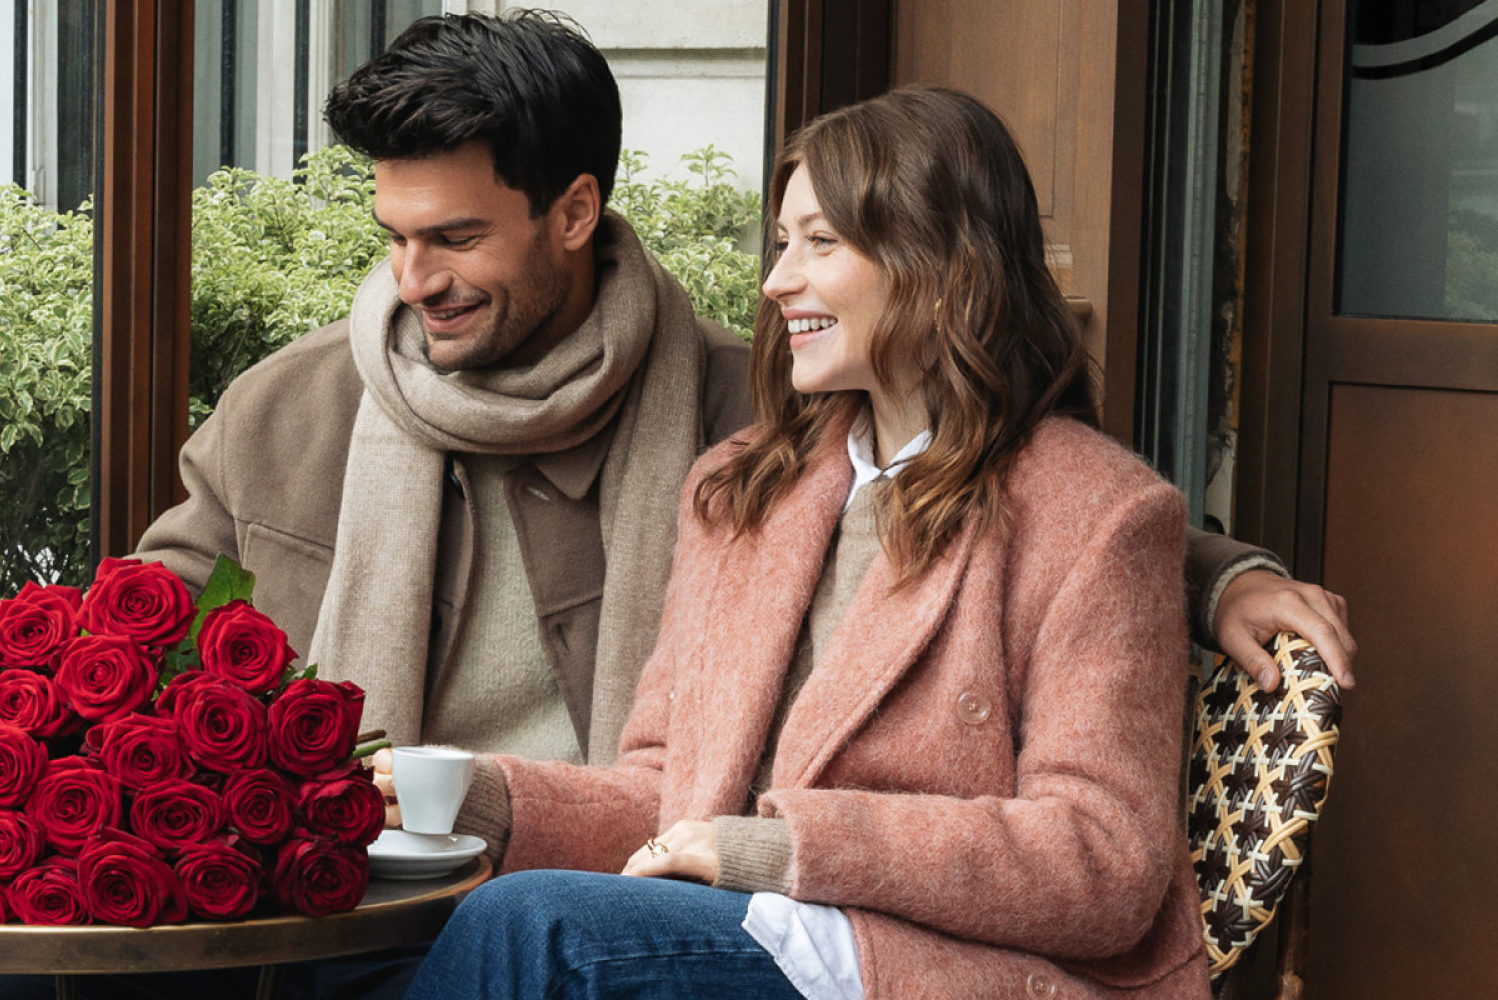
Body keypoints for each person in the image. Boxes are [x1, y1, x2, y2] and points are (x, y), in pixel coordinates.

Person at [399, 85, 1214, 1000]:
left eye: (820, 243)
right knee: (386, 952)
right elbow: (670, 795)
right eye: (782, 243)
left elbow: (1102, 863)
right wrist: (480, 798)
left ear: (942, 265)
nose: (778, 280)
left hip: (924, 968)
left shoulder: (1099, 515)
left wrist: (787, 848)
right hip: (744, 936)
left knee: (531, 927)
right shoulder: (743, 489)